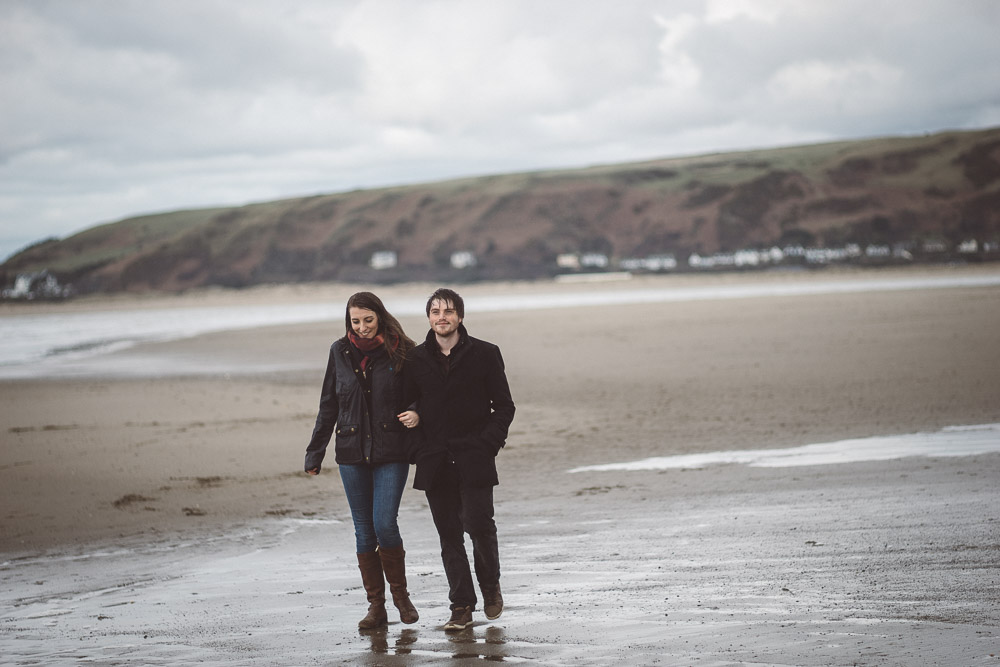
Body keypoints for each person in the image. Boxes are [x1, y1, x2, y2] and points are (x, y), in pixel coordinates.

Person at [304, 291, 421, 629]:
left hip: (391, 450)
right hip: (352, 452)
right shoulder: (339, 351)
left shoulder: (402, 350)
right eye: (356, 321)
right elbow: (329, 403)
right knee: (363, 531)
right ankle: (377, 607)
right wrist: (315, 451)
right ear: (348, 321)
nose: (363, 327)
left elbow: (422, 394)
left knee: (385, 523)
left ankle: (401, 596)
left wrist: (416, 411)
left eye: (368, 320)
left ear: (380, 317)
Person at [404, 288, 516, 631]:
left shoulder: (485, 353)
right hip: (435, 459)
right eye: (436, 311)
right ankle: (461, 606)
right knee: (449, 535)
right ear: (429, 318)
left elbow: (505, 407)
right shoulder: (415, 360)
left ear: (460, 317)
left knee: (479, 525)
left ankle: (490, 586)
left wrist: (487, 445)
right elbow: (406, 408)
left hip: (475, 456)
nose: (442, 317)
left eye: (449, 311)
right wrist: (418, 449)